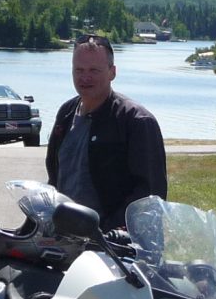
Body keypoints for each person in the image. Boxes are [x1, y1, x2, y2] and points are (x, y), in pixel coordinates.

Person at [45, 34, 167, 230]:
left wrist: (106, 232)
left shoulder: (136, 121)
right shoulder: (66, 113)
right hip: (67, 240)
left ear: (112, 72)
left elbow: (150, 196)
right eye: (79, 70)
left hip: (117, 248)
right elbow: (55, 178)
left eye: (94, 70)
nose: (85, 77)